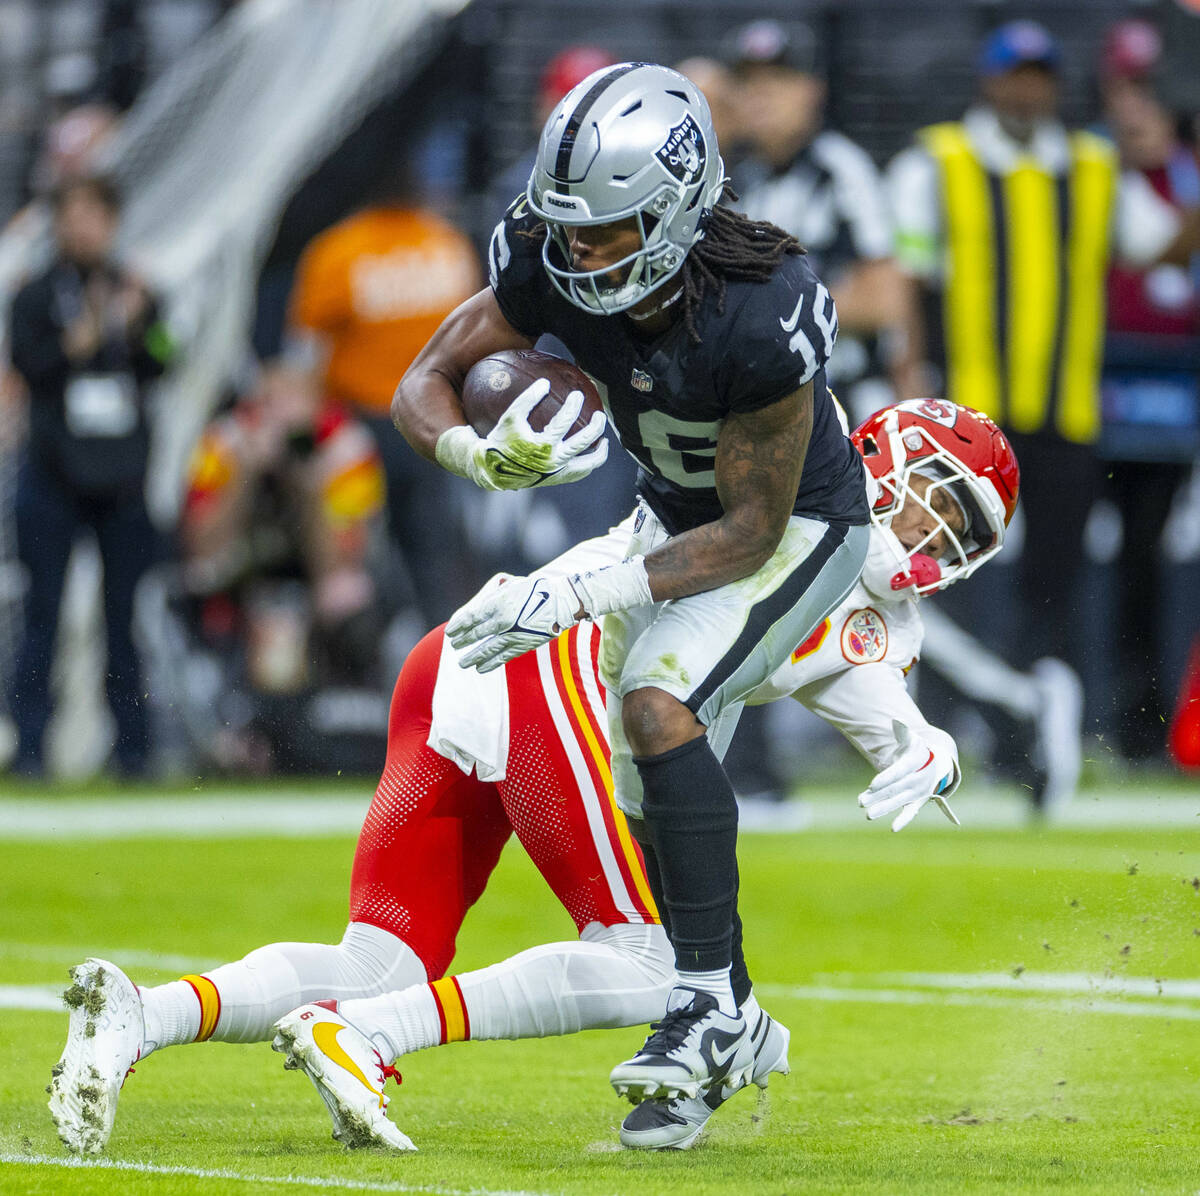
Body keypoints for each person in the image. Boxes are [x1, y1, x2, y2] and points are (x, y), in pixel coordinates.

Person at [48, 398, 1016, 1155]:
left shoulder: (876, 615)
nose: (939, 539)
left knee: (384, 954)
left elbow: (882, 695)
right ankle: (370, 1036)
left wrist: (926, 747)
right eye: (939, 499)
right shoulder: (789, 469)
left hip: (474, 656)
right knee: (652, 963)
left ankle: (144, 1013)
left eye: (963, 531)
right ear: (883, 457)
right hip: (551, 655)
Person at [391, 61, 871, 1126]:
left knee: (660, 698)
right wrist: (474, 453)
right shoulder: (547, 253)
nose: (578, 253)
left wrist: (584, 589)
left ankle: (699, 997)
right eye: (569, 229)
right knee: (647, 779)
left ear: (675, 208)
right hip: (669, 518)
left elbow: (750, 529)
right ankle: (730, 1009)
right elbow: (419, 380)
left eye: (606, 232)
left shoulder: (764, 305)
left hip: (797, 525)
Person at [887, 18, 1200, 684]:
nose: (1027, 95)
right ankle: (951, 711)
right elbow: (905, 286)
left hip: (1066, 411)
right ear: (990, 82)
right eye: (1015, 79)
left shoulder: (1094, 168)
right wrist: (907, 388)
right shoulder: (939, 162)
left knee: (1053, 576)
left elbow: (1164, 247)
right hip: (967, 414)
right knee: (946, 564)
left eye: (1040, 80)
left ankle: (1039, 715)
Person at [5, 175, 172, 777]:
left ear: (112, 221)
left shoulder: (137, 290)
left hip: (122, 481)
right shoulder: (36, 295)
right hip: (52, 478)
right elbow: (28, 364)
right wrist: (75, 344)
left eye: (94, 215)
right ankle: (29, 751)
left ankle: (133, 751)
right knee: (42, 615)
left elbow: (164, 357)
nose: (83, 228)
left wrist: (135, 325)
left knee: (124, 621)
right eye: (72, 216)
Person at [281, 160, 482, 621]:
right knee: (433, 549)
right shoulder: (445, 245)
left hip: (357, 432)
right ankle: (444, 656)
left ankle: (360, 659)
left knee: (352, 555)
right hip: (437, 423)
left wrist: (302, 434)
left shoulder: (339, 250)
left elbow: (303, 356)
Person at [178, 361, 389, 772]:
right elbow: (200, 547)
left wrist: (308, 483)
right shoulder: (227, 440)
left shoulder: (346, 447)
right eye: (272, 402)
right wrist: (245, 473)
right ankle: (231, 730)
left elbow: (344, 560)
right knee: (204, 583)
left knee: (345, 596)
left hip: (315, 577)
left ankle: (328, 725)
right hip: (243, 573)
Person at [1096, 18, 1200, 761]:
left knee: (1147, 556)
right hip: (1096, 386)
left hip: (1175, 392)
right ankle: (1074, 705)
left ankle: (1142, 721)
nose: (1134, 111)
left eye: (1146, 94)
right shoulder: (1091, 174)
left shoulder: (1186, 175)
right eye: (1122, 91)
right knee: (1077, 558)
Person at [728, 18, 917, 414]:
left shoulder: (841, 169)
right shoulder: (740, 184)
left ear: (812, 90)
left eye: (779, 79)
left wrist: (762, 312)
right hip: (773, 405)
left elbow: (885, 298)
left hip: (848, 400)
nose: (762, 96)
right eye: (749, 83)